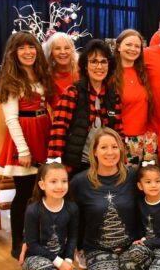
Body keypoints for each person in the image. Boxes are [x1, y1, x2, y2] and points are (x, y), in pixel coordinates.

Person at [69, 127, 148, 270]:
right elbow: (72, 218)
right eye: (104, 147)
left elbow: (147, 207)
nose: (110, 152)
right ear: (94, 151)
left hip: (130, 246)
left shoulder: (133, 177)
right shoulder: (80, 182)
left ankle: (120, 264)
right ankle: (109, 266)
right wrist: (75, 249)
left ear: (120, 149)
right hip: (97, 248)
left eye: (114, 146)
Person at [0, 31, 53, 259]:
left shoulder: (41, 75)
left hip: (43, 132)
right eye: (22, 48)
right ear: (14, 52)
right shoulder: (11, 80)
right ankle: (18, 241)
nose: (28, 52)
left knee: (42, 191)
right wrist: (23, 150)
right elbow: (11, 118)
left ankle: (40, 237)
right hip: (25, 137)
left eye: (32, 47)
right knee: (24, 192)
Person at [21, 161, 95, 270]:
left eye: (64, 181)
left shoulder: (72, 208)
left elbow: (73, 236)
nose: (60, 186)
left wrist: (67, 260)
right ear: (42, 185)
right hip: (36, 259)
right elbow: (32, 244)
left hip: (60, 261)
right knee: (44, 267)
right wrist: (58, 262)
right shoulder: (33, 210)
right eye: (53, 182)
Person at [48, 39, 123, 176]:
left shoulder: (113, 96)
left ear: (109, 65)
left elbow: (118, 133)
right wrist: (55, 163)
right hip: (77, 164)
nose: (99, 67)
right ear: (85, 66)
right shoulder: (73, 92)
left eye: (103, 61)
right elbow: (59, 129)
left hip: (105, 164)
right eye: (94, 61)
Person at [112, 29, 157, 165]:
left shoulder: (143, 73)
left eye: (137, 46)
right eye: (128, 45)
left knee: (146, 183)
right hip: (122, 140)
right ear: (119, 47)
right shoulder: (110, 75)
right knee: (125, 182)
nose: (133, 49)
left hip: (146, 139)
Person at [42, 32, 80, 108]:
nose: (63, 52)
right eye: (57, 48)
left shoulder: (82, 70)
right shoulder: (47, 75)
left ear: (72, 50)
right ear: (51, 53)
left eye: (67, 48)